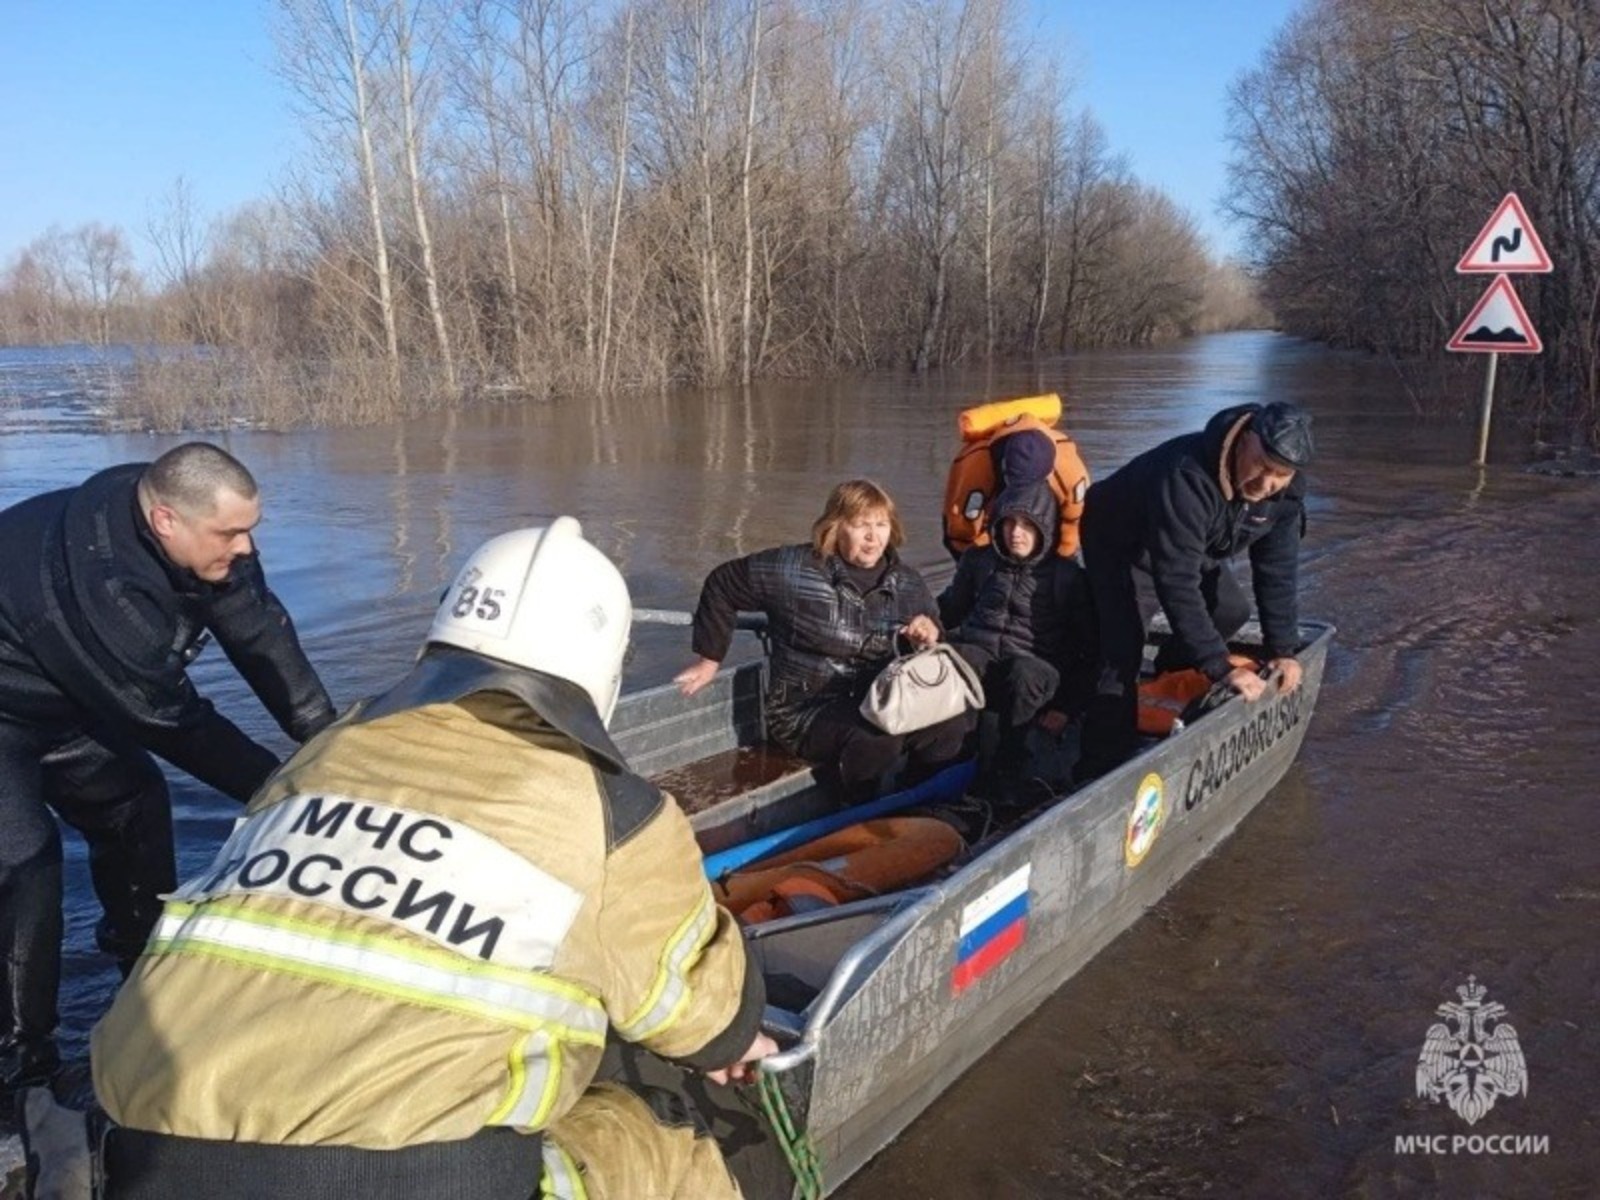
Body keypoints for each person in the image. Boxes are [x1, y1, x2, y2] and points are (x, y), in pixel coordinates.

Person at [89, 518, 775, 1199]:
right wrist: (737, 1038)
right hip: (404, 1181)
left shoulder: (325, 753)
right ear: (604, 667)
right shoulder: (615, 811)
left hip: (143, 1158)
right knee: (648, 1139)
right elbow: (694, 1009)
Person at [0, 442, 335, 1091]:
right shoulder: (108, 597)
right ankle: (20, 1064)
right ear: (166, 524)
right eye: (229, 533)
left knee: (135, 806)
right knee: (25, 861)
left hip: (68, 696)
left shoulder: (198, 533)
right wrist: (289, 793)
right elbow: (178, 727)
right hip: (13, 698)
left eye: (250, 531)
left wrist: (331, 745)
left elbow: (261, 633)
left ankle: (142, 978)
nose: (243, 547)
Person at [676, 479, 967, 807]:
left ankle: (919, 802)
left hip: (883, 697)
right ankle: (857, 813)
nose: (873, 537)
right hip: (807, 707)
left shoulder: (909, 582)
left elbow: (935, 635)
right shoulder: (793, 570)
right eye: (861, 526)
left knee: (949, 724)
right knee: (877, 738)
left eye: (881, 525)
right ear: (836, 527)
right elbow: (723, 583)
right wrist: (709, 658)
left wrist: (929, 634)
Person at [1075, 402, 1314, 780]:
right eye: (1263, 466)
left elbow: (1277, 572)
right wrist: (1220, 667)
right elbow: (1177, 582)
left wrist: (1283, 650)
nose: (1267, 484)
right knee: (1122, 651)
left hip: (1192, 543)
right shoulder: (1186, 476)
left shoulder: (1284, 495)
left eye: (1280, 475)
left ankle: (1171, 678)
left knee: (1230, 611)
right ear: (1245, 440)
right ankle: (1099, 767)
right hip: (1121, 540)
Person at [938, 481, 1097, 799]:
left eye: (1027, 524)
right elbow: (949, 610)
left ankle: (1012, 769)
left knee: (1023, 673)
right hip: (981, 656)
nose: (1016, 532)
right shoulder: (978, 561)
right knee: (951, 659)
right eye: (1008, 522)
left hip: (1035, 669)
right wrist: (921, 624)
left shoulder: (1067, 578)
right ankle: (948, 764)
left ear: (1045, 529)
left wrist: (1068, 708)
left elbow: (1090, 651)